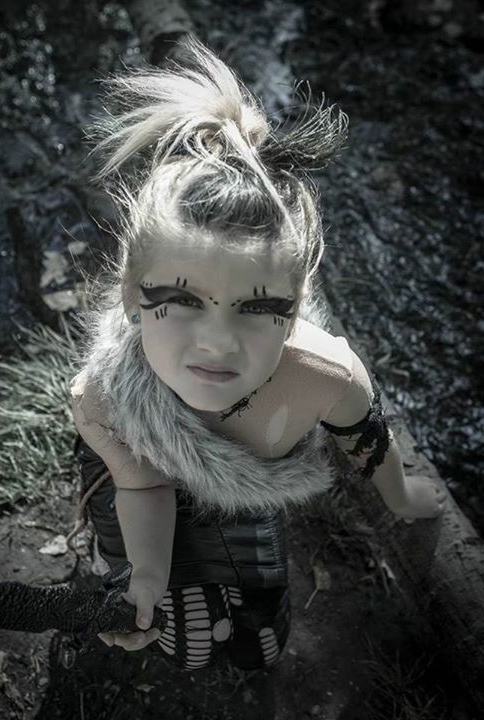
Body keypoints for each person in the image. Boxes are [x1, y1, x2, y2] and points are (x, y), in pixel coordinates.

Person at [69, 36, 447, 672]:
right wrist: (148, 578)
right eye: (183, 301)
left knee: (259, 646)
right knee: (179, 644)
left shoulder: (322, 377)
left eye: (256, 307)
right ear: (135, 296)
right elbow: (146, 484)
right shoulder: (102, 396)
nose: (218, 341)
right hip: (138, 483)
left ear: (294, 309)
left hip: (246, 495)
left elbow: (371, 440)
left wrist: (402, 495)